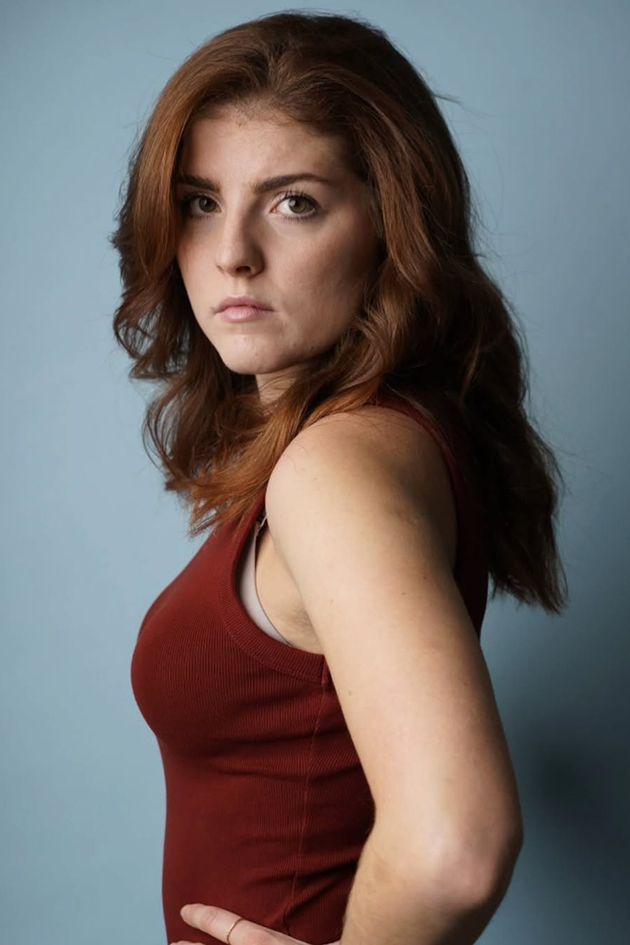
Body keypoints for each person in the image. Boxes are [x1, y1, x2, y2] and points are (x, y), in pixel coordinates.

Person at [109, 10, 568, 945]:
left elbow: (457, 848)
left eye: (295, 203)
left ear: (393, 224)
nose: (232, 253)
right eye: (200, 201)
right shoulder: (374, 439)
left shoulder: (335, 467)